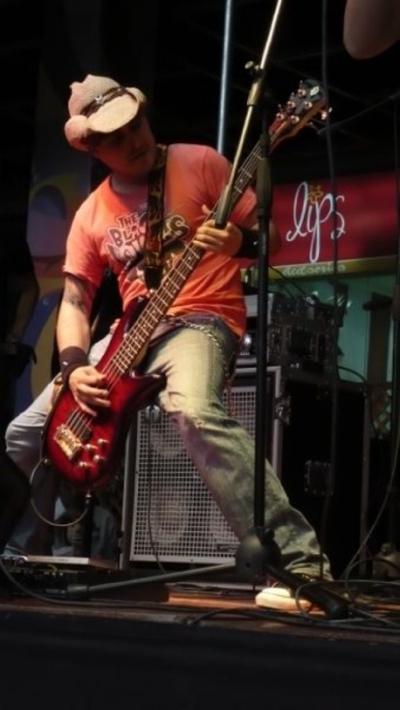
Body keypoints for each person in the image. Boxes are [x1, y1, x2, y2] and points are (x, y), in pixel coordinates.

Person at [4, 74, 331, 610]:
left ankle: (302, 565)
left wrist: (238, 240)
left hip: (200, 319)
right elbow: (75, 303)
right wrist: (73, 366)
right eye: (116, 137)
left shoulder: (198, 162)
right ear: (93, 148)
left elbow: (269, 238)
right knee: (23, 435)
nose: (133, 140)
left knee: (193, 409)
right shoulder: (90, 213)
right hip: (128, 336)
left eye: (136, 126)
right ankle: (19, 562)